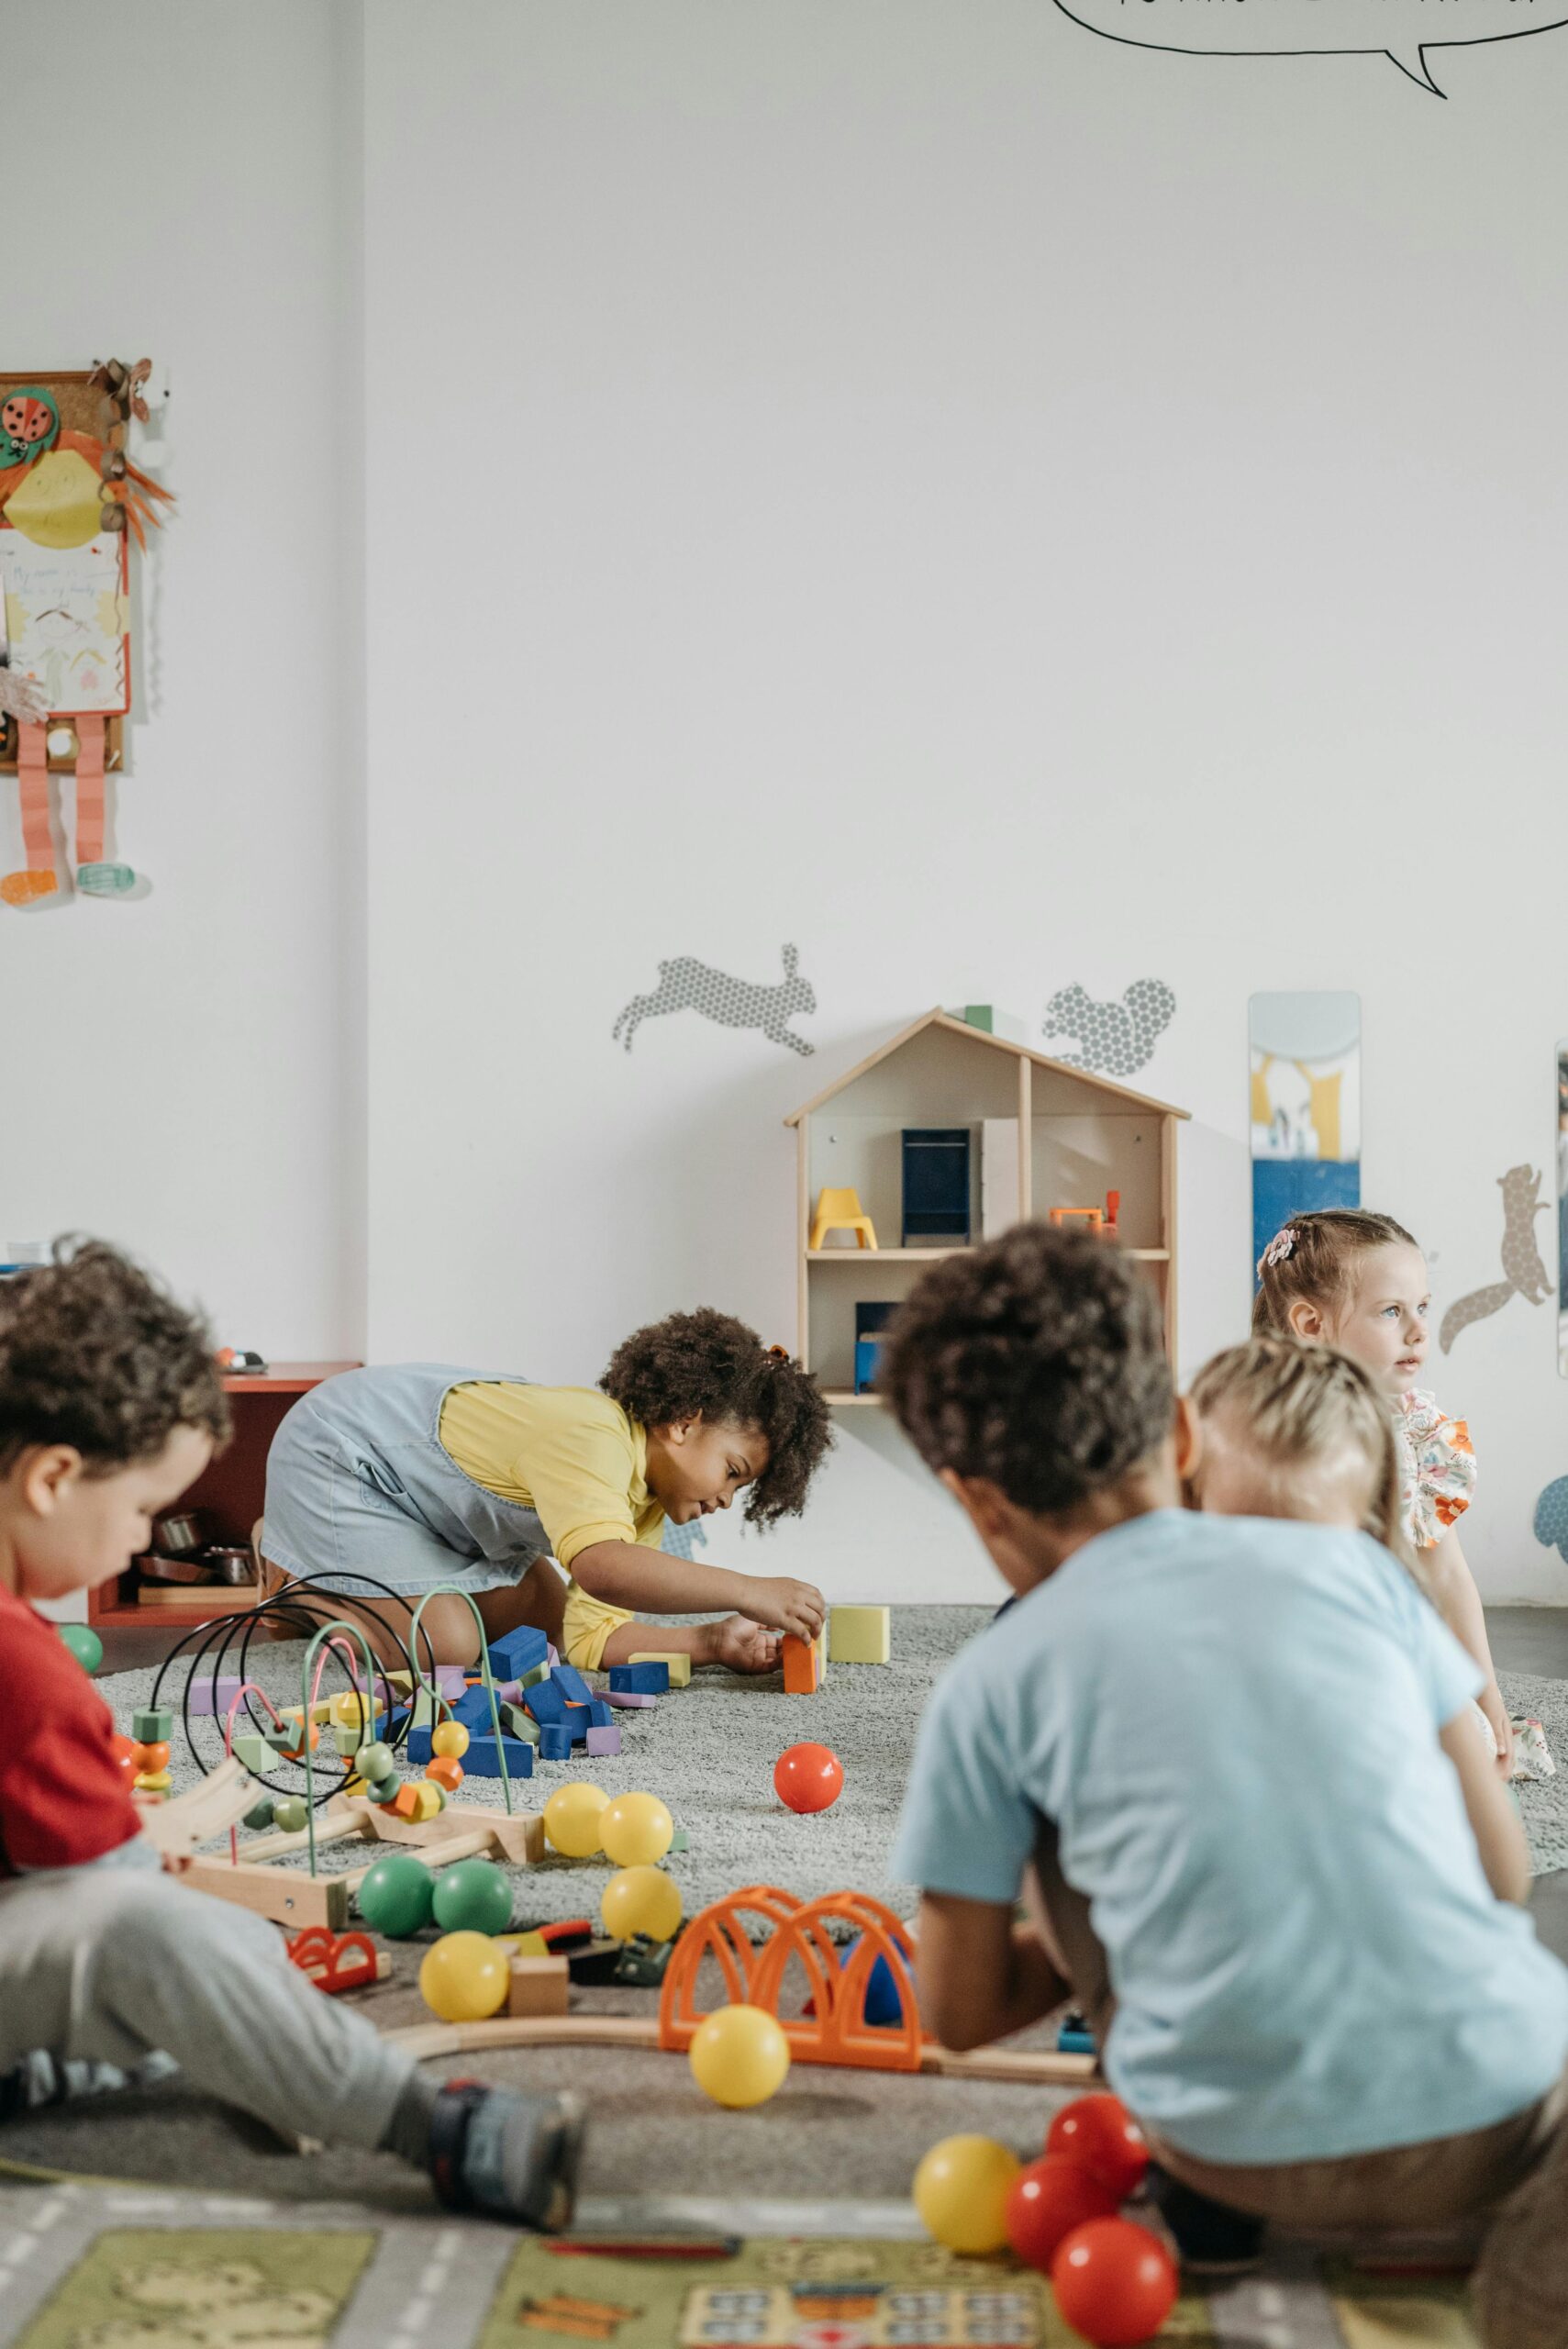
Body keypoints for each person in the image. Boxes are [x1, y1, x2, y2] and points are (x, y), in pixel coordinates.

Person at [880, 1224, 1568, 2344]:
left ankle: (1213, 2211)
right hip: (1493, 2116)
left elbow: (955, 2014)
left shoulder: (989, 1682)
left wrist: (1148, 1889)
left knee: (1068, 1830)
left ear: (974, 1500)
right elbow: (1500, 1872)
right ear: (1185, 1428)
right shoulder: (1360, 1571)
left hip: (1226, 2148)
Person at [0, 1240, 582, 2226]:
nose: (145, 1539)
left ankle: (53, 2069)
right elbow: (130, 1900)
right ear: (54, 1476)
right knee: (174, 1940)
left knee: (187, 1953)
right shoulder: (24, 1669)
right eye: (144, 1507)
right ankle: (430, 2126)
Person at [258, 1316, 831, 1672]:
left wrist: (710, 1641)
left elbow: (590, 1641)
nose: (727, 1499)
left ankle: (346, 1575)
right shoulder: (594, 1434)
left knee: (545, 1627)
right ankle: (291, 1579)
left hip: (430, 1513)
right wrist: (748, 1590)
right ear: (683, 1423)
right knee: (447, 1646)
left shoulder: (646, 1504)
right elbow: (605, 1568)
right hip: (340, 1457)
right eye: (732, 1471)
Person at [1251, 1208, 1512, 1770]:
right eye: (1392, 1311)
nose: (1419, 1330)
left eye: (1422, 1308)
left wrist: (1486, 1692)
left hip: (1383, 1649)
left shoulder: (1417, 1432)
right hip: (1289, 1651)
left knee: (1464, 1740)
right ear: (1311, 1324)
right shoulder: (1264, 1434)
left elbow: (1447, 1574)